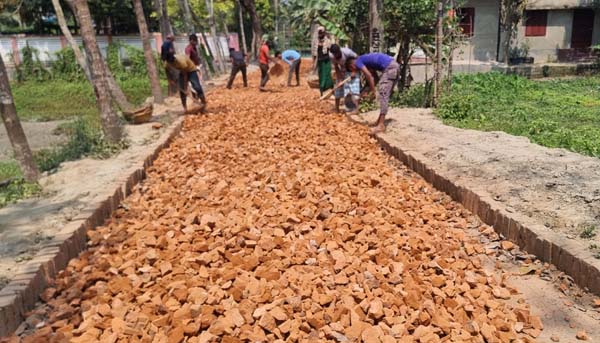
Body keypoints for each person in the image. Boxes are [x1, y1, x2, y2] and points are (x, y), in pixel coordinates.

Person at [347, 53, 400, 134]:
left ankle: (381, 125)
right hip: (394, 66)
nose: (355, 71)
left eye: (352, 69)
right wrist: (368, 90)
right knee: (384, 94)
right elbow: (375, 77)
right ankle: (379, 122)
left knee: (383, 94)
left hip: (390, 67)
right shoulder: (366, 61)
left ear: (352, 65)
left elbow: (369, 76)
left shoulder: (358, 61)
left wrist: (373, 92)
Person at [329, 44, 359, 113]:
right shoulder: (331, 56)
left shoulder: (347, 52)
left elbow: (358, 59)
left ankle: (356, 108)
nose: (336, 55)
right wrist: (340, 79)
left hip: (352, 69)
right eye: (334, 54)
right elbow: (336, 67)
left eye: (337, 53)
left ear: (339, 50)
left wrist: (354, 71)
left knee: (354, 89)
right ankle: (337, 109)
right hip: (342, 70)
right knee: (338, 88)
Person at [314, 26, 334, 95]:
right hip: (320, 61)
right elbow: (315, 53)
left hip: (326, 60)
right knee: (321, 75)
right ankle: (322, 88)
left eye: (321, 33)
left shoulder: (327, 41)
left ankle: (328, 87)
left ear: (324, 33)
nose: (320, 34)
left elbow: (331, 49)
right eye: (319, 33)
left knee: (327, 73)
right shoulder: (316, 41)